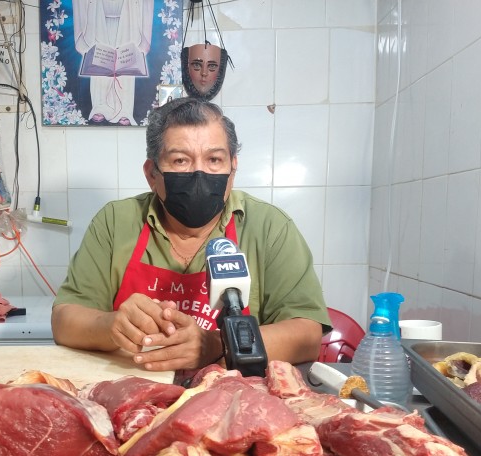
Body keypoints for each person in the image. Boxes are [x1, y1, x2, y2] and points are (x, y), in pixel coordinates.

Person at [51, 97, 331, 374]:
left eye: (214, 160)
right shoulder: (115, 222)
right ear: (152, 174)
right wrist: (111, 326)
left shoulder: (270, 228)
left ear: (232, 170)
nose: (199, 173)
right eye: (180, 160)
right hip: (136, 396)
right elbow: (64, 320)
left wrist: (216, 345)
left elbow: (307, 334)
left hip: (236, 401)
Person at [73, 0, 154, 126]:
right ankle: (100, 106)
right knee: (101, 59)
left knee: (126, 61)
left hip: (128, 23)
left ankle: (124, 110)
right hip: (100, 21)